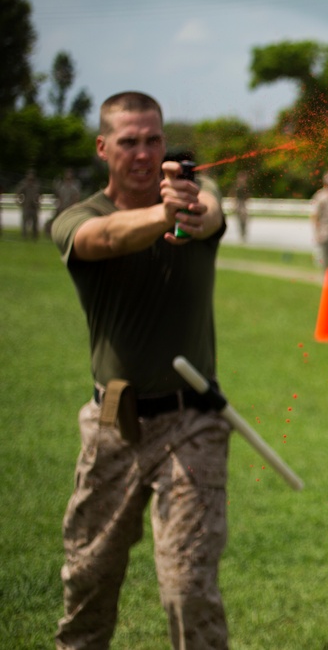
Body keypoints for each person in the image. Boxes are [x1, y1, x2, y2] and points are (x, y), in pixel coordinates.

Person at [51, 91, 231, 649]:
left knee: (187, 588)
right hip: (114, 421)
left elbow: (207, 219)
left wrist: (185, 209)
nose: (143, 151)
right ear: (103, 147)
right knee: (89, 578)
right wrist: (162, 215)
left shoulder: (199, 201)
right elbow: (103, 240)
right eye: (128, 141)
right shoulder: (78, 218)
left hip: (191, 421)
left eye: (153, 139)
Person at [47, 168, 82, 236]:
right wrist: (59, 205)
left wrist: (74, 206)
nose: (68, 179)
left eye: (69, 177)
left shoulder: (74, 187)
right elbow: (59, 196)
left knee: (71, 222)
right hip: (62, 207)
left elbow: (76, 197)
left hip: (71, 207)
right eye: (66, 177)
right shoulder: (62, 186)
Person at [15, 168, 41, 240]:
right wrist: (19, 202)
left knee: (35, 222)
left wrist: (38, 202)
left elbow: (39, 194)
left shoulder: (37, 184)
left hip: (34, 206)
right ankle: (24, 236)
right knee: (25, 222)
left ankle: (34, 236)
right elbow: (18, 193)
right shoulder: (24, 184)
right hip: (26, 206)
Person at [230, 170, 251, 243]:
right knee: (238, 219)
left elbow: (248, 196)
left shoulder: (245, 186)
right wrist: (233, 204)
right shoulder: (237, 186)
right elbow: (233, 194)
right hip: (238, 202)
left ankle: (244, 232)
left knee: (244, 218)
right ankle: (241, 233)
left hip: (243, 203)